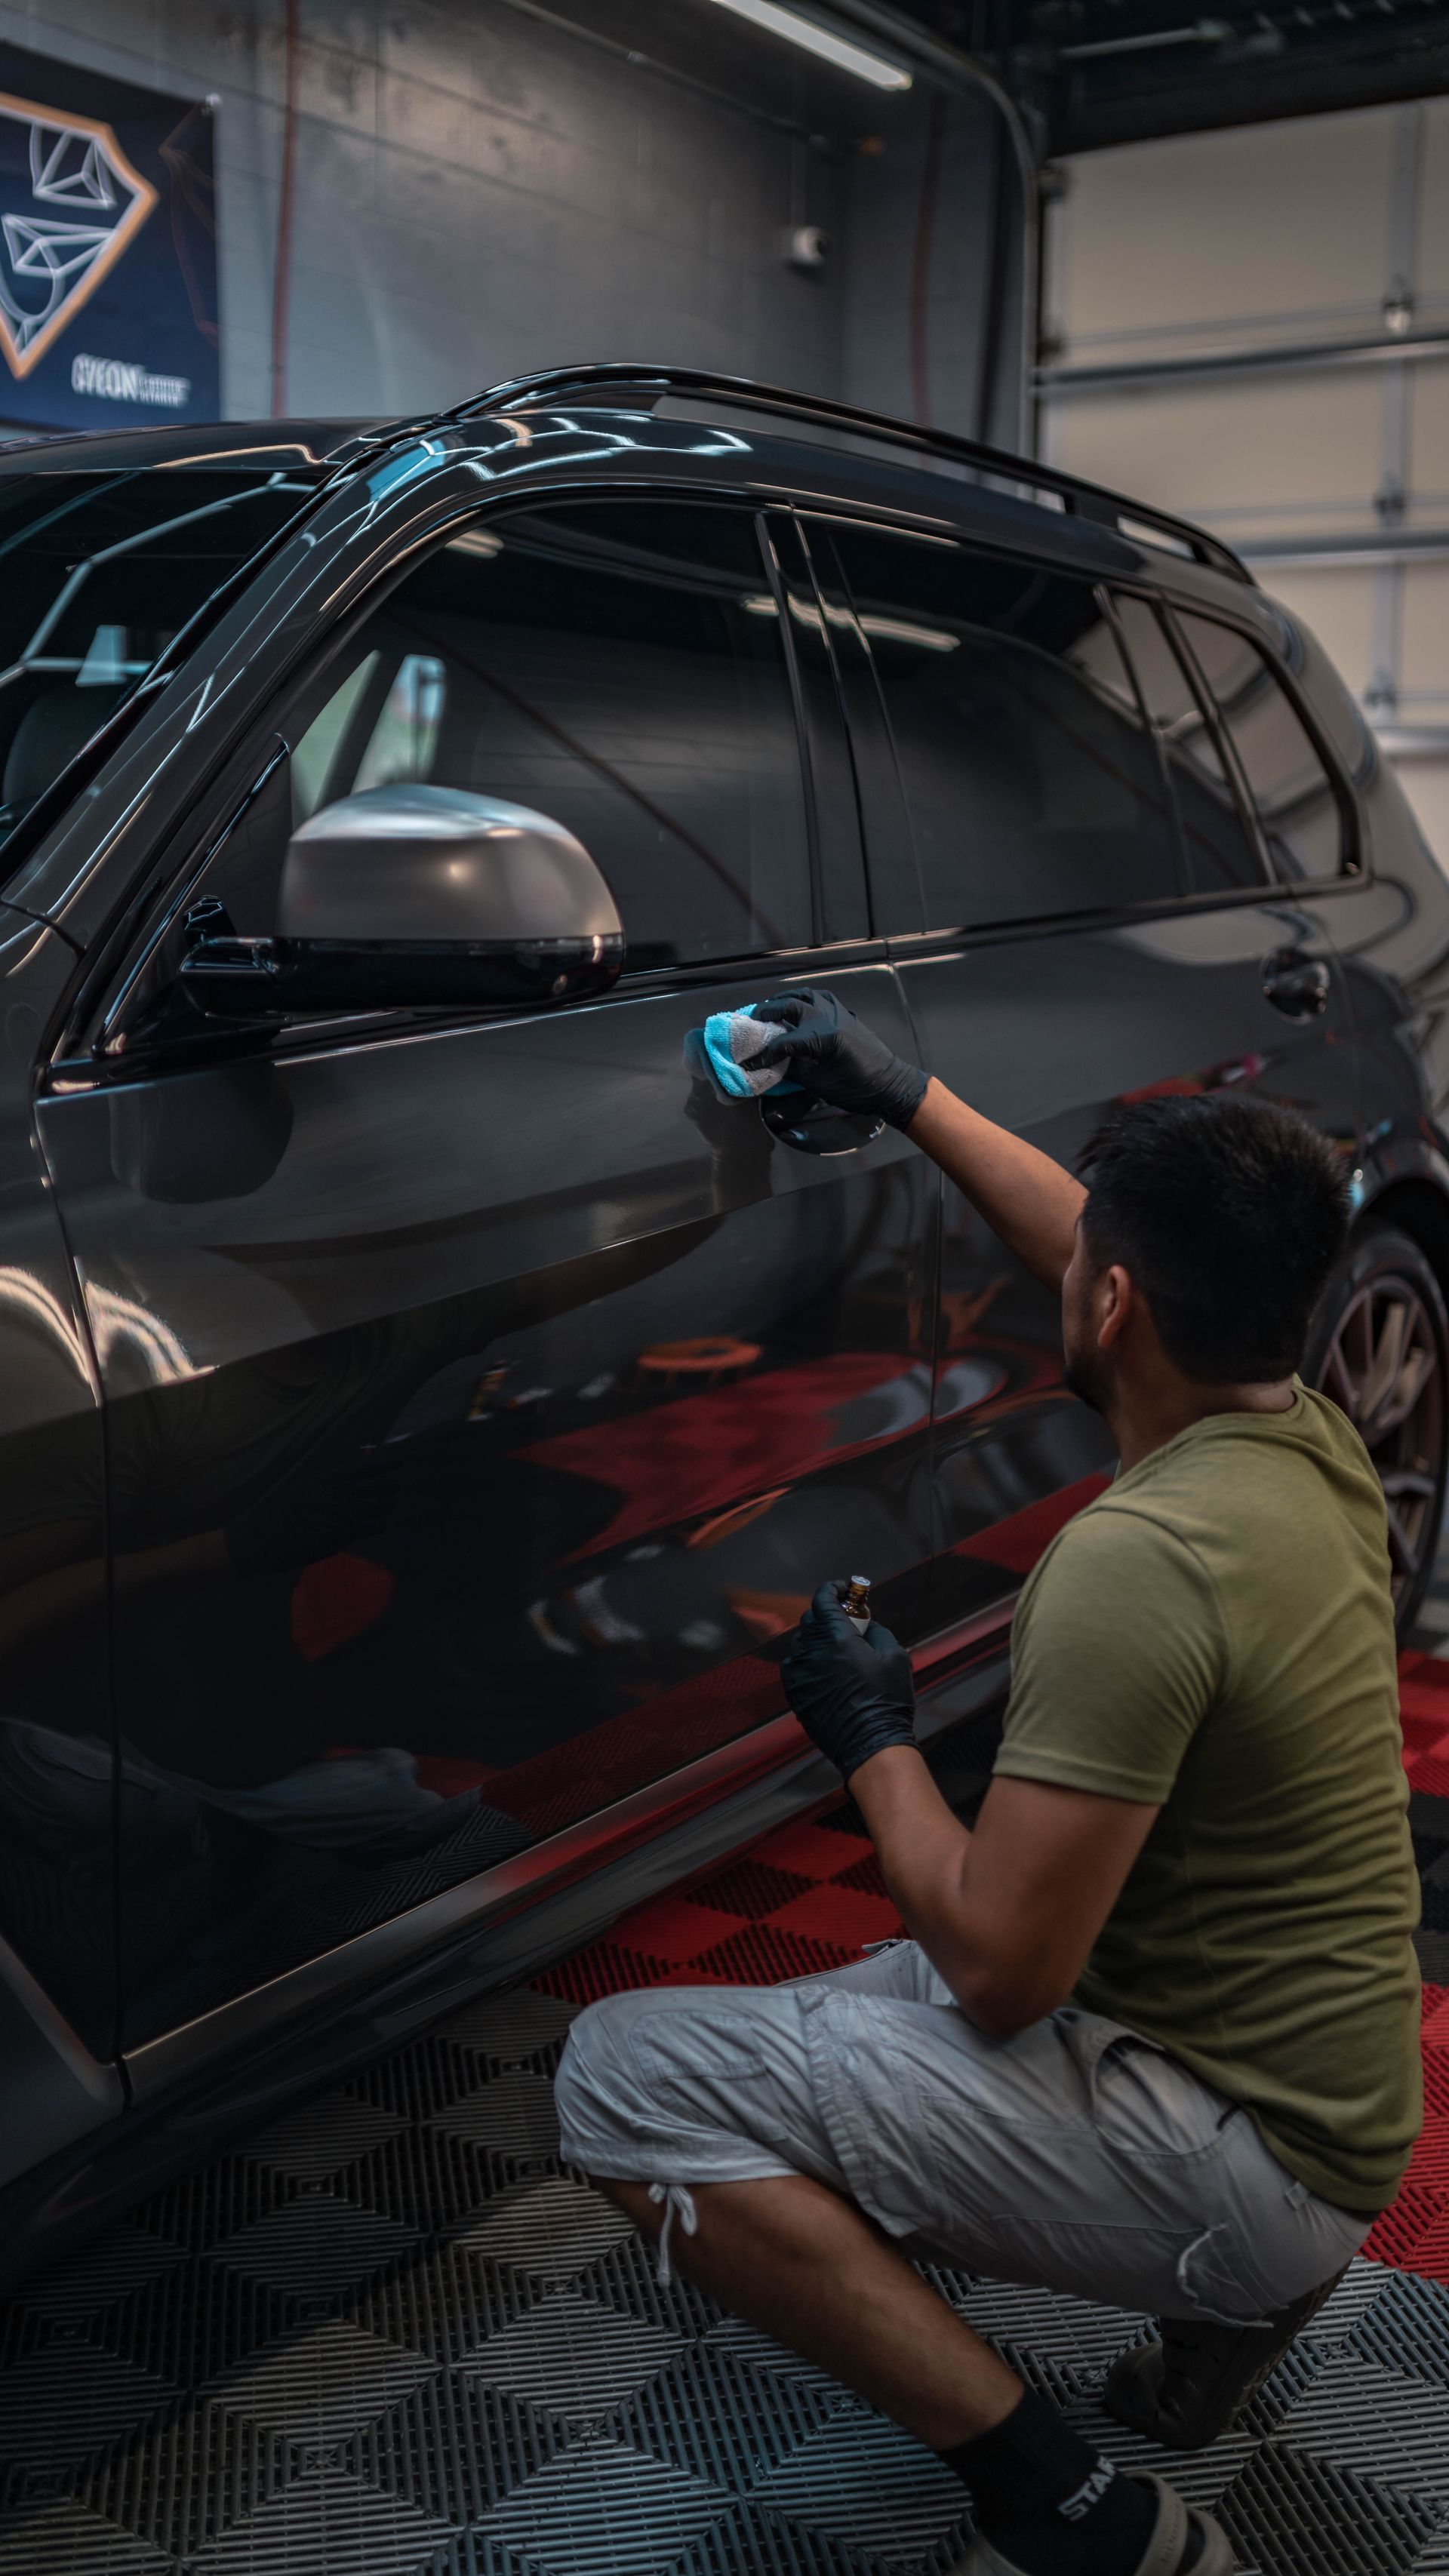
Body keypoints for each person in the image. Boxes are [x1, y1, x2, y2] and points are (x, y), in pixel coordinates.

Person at [554, 990, 1423, 2576]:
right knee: (865, 2011)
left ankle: (1064, 2504)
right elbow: (1093, 1252)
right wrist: (911, 1097)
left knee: (625, 2074)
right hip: (1341, 2088)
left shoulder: (1133, 1562)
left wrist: (870, 1731)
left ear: (1115, 1310)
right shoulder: (1309, 1443)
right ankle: (1235, 2293)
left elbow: (1005, 1974)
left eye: (1094, 1260)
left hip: (1230, 2137)